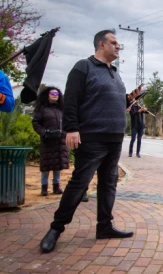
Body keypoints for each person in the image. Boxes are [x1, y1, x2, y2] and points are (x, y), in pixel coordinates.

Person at [39, 29, 142, 254]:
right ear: (101, 45)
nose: (118, 47)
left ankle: (104, 226)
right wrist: (72, 129)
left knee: (108, 184)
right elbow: (72, 100)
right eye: (114, 43)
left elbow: (108, 100)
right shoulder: (83, 67)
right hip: (92, 137)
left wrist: (128, 99)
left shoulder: (115, 72)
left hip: (115, 138)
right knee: (79, 184)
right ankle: (56, 229)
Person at [32, 87, 69, 196]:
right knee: (46, 165)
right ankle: (44, 188)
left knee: (58, 164)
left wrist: (64, 133)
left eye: (57, 93)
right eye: (52, 93)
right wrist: (45, 133)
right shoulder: (42, 109)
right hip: (47, 141)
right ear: (47, 95)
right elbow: (36, 123)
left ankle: (56, 186)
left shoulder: (62, 109)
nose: (55, 94)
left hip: (60, 141)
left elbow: (67, 122)